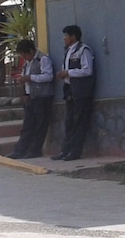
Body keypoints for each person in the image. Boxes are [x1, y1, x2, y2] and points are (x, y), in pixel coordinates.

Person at [53, 24, 95, 161]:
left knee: (79, 122)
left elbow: (87, 70)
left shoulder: (83, 50)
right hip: (70, 90)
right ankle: (65, 150)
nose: (64, 39)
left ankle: (75, 151)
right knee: (69, 121)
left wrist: (68, 73)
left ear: (73, 37)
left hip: (81, 91)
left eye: (66, 36)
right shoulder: (68, 51)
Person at [8, 39, 55, 159]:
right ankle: (20, 150)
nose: (23, 57)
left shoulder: (43, 59)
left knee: (40, 125)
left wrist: (30, 78)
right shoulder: (27, 63)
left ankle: (35, 150)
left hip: (42, 96)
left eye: (24, 54)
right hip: (30, 97)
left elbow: (48, 76)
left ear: (30, 51)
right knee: (28, 125)